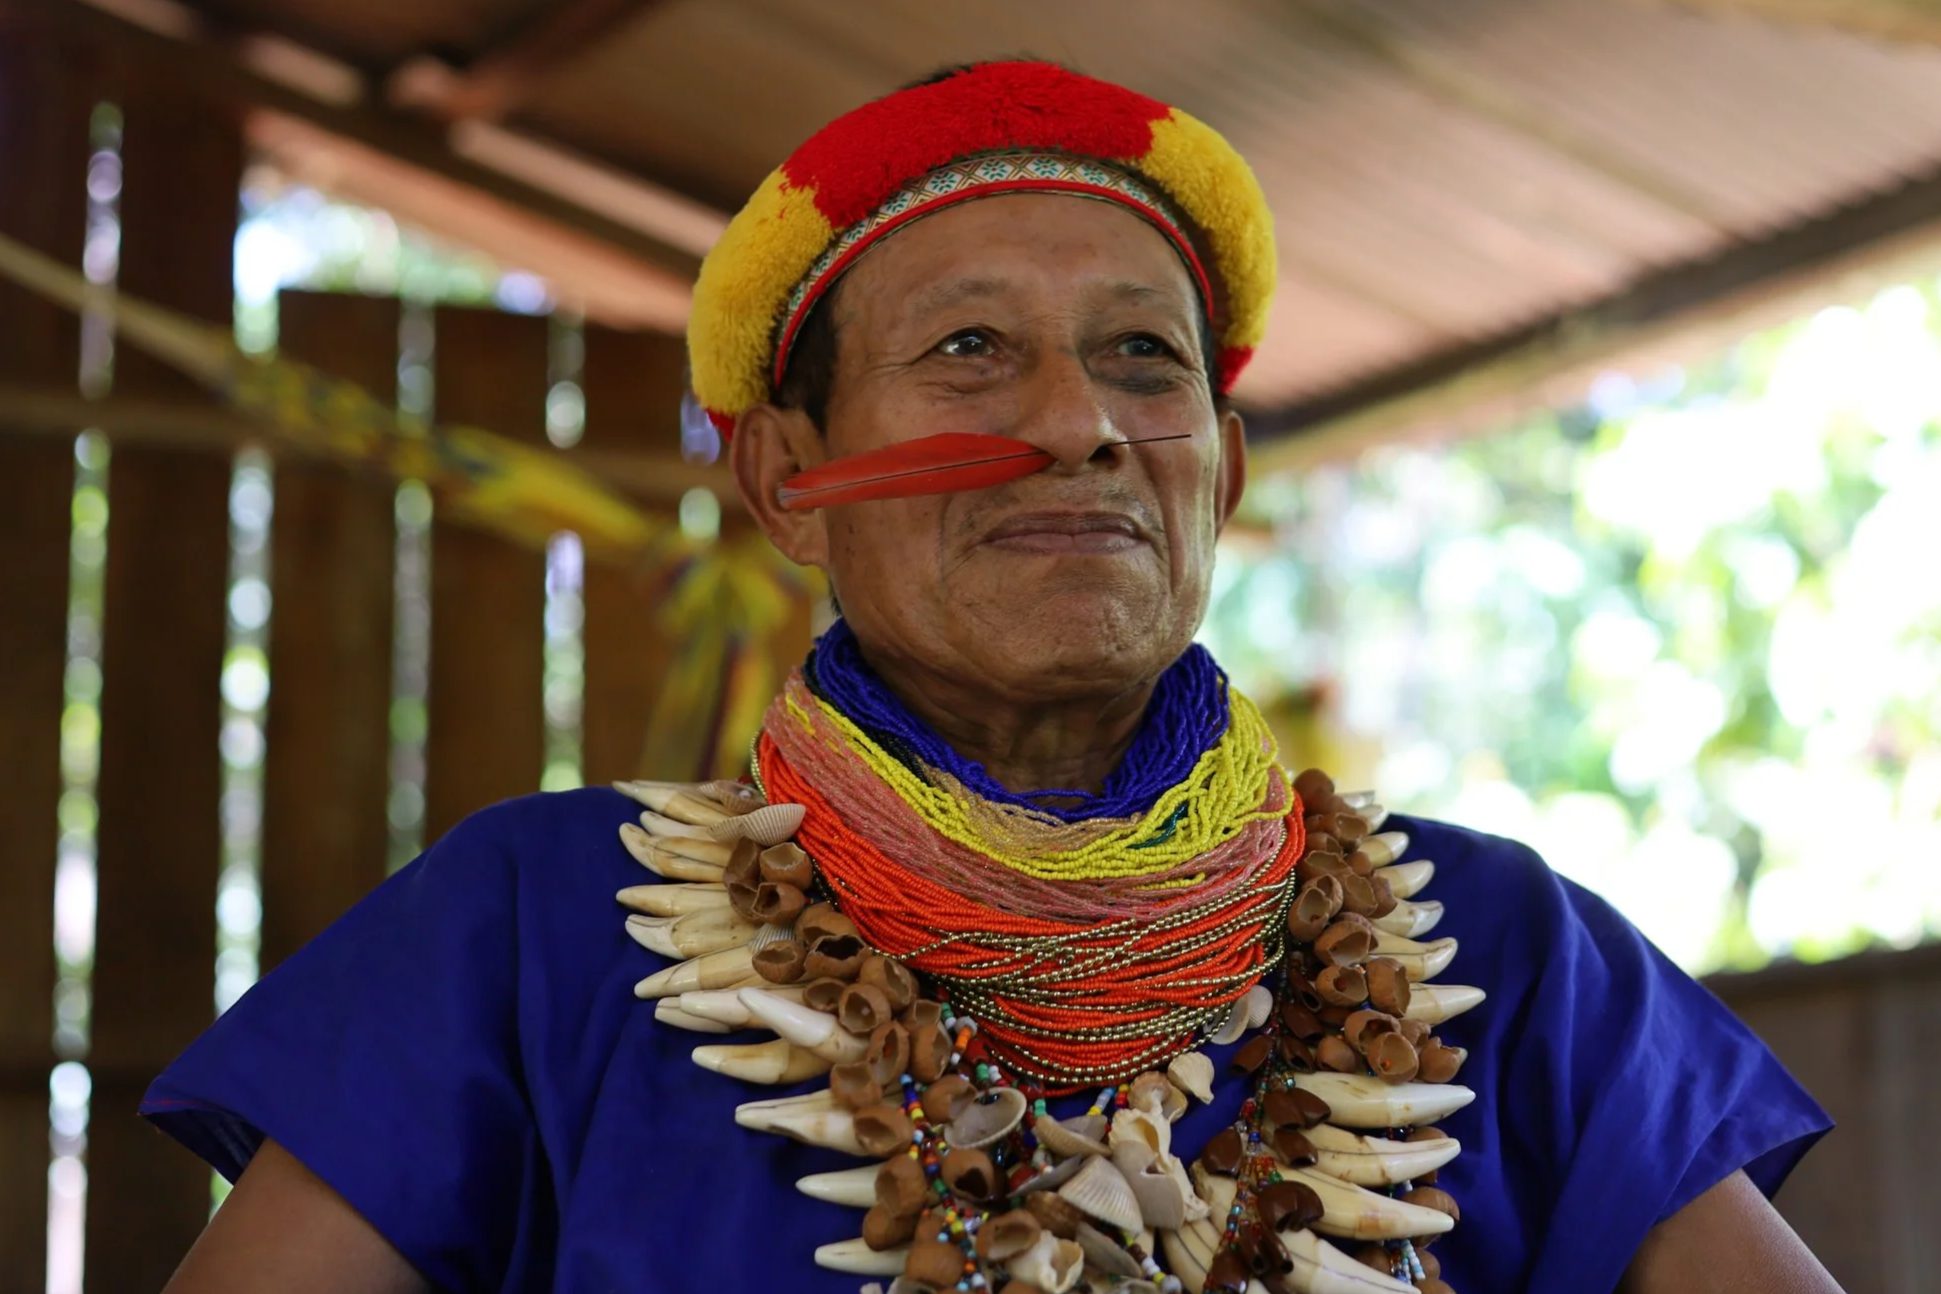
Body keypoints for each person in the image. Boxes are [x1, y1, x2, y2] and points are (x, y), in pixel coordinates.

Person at [146, 61, 1837, 1294]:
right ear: (786, 481)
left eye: (1139, 360)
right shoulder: (528, 933)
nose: (1077, 423)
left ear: (1221, 474)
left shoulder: (1511, 959)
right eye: (969, 352)